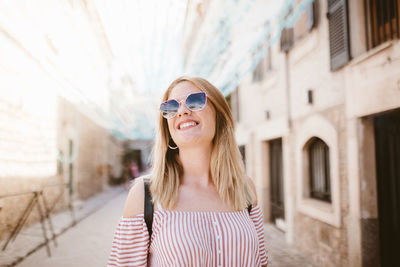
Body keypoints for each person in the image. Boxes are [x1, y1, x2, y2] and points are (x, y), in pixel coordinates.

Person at [108, 76, 268, 267]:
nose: (182, 111)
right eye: (171, 107)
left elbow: (261, 262)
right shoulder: (145, 196)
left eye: (195, 101)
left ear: (219, 115)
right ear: (167, 127)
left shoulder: (245, 189)